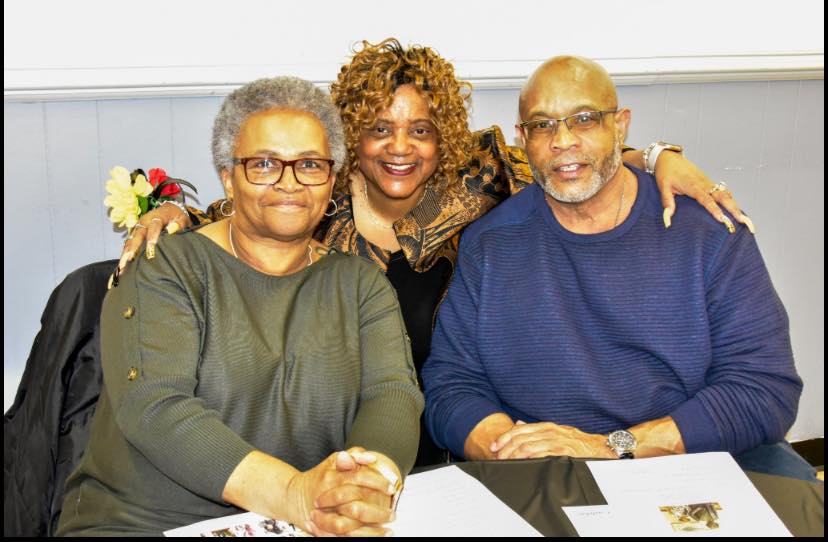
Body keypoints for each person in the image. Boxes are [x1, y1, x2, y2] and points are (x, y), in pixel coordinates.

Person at [120, 39, 751, 467]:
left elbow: (570, 157)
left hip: (450, 435)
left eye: (420, 130)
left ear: (442, 136)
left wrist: (659, 157)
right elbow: (244, 207)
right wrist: (169, 215)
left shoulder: (478, 177)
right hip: (346, 428)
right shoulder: (317, 193)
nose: (401, 148)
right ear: (350, 137)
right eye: (379, 129)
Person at [56, 77, 423, 536]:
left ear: (331, 179)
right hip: (146, 524)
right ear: (228, 178)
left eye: (310, 164)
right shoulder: (164, 267)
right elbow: (157, 407)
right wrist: (295, 493)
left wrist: (362, 487)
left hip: (301, 523)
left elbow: (392, 394)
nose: (289, 183)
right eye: (264, 164)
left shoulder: (362, 284)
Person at [422, 56, 815, 481]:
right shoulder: (490, 243)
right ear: (523, 137)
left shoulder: (707, 231)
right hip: (545, 471)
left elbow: (764, 388)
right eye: (542, 125)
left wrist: (611, 447)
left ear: (621, 126)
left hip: (689, 457)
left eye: (584, 119)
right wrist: (509, 447)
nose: (562, 140)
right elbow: (452, 383)